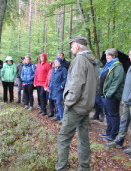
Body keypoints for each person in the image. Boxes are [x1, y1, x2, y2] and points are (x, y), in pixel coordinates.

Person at [56, 36, 99, 171]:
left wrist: (68, 103)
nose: (71, 48)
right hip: (86, 105)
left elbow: (76, 84)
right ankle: (84, 167)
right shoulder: (92, 60)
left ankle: (60, 168)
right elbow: (96, 84)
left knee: (64, 138)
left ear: (79, 46)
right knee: (83, 136)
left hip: (76, 106)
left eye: (72, 45)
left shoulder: (80, 59)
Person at [98, 48, 125, 142]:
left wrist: (109, 94)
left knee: (113, 115)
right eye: (106, 55)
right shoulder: (108, 66)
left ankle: (113, 134)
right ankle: (108, 132)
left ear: (113, 56)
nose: (106, 57)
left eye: (108, 55)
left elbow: (116, 82)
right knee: (108, 114)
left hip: (111, 96)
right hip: (105, 95)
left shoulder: (118, 66)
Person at [48, 57, 67, 123]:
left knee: (59, 103)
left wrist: (61, 86)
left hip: (59, 89)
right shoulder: (53, 69)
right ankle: (57, 115)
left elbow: (65, 79)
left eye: (56, 62)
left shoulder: (63, 70)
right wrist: (49, 85)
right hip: (53, 88)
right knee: (55, 103)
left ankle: (62, 118)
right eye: (54, 62)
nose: (55, 63)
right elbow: (51, 78)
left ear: (60, 63)